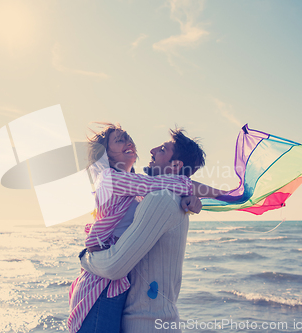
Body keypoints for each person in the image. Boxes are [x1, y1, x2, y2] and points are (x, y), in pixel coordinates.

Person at [69, 124, 222, 333]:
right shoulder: (110, 179)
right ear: (105, 155)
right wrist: (224, 194)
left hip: (114, 287)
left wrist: (192, 199)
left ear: (176, 165)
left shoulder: (143, 194)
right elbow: (164, 184)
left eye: (128, 138)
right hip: (99, 287)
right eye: (120, 140)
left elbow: (165, 186)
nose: (130, 142)